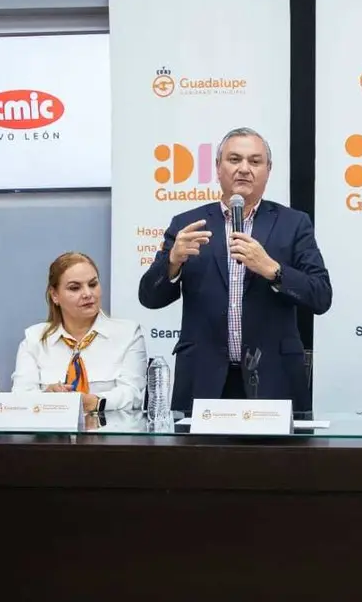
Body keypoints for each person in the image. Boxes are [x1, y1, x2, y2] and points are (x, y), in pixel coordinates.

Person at [138, 126, 332, 412]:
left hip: (274, 379)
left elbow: (321, 296)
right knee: (203, 459)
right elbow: (149, 298)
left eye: (255, 161)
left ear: (268, 170)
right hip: (203, 379)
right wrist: (173, 261)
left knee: (277, 459)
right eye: (234, 159)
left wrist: (272, 269)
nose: (244, 169)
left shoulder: (293, 224)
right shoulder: (187, 225)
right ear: (218, 167)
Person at [12, 252, 147, 412]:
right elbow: (19, 398)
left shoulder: (128, 334)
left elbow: (133, 395)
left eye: (93, 284)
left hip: (110, 433)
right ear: (55, 295)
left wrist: (95, 402)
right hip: (51, 436)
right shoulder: (34, 339)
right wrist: (46, 396)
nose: (88, 294)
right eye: (75, 288)